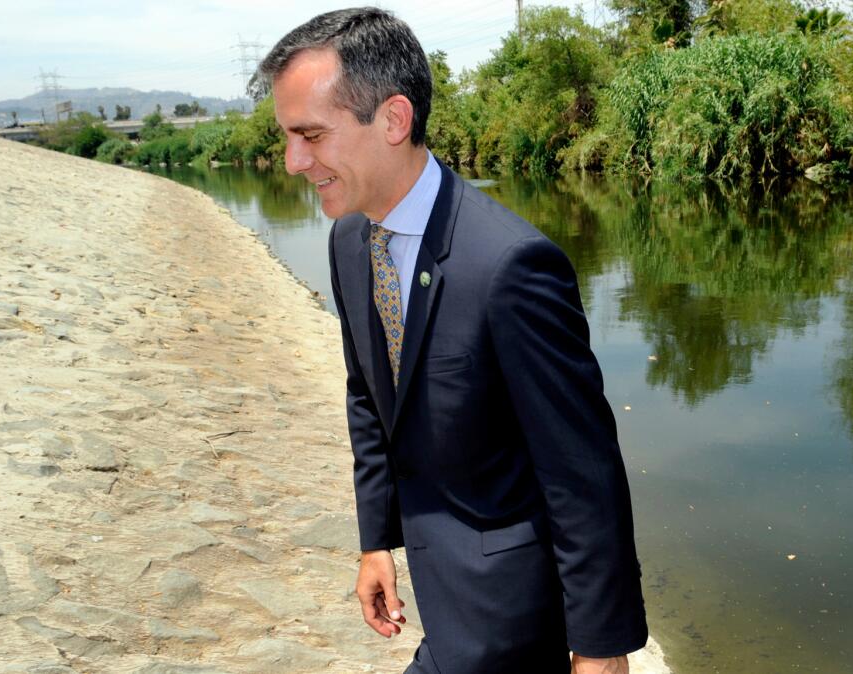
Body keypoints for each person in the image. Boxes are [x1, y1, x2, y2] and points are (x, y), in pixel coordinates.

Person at [256, 8, 648, 673]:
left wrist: (602, 650)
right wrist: (377, 539)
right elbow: (368, 399)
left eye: (311, 135)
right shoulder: (351, 240)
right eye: (289, 138)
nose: (294, 162)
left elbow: (582, 470)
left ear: (394, 119)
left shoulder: (511, 266)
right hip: (440, 596)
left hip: (512, 618)